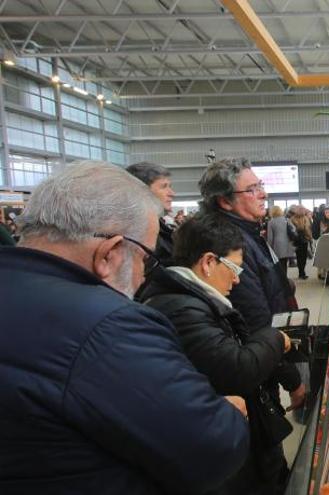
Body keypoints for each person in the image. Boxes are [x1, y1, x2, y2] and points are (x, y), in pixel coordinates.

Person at [0, 161, 249, 494]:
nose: (144, 274)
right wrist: (228, 414)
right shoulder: (109, 324)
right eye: (145, 256)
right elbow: (212, 447)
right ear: (110, 253)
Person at [139, 212, 294, 495]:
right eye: (235, 270)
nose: (236, 281)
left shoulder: (192, 298)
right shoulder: (182, 308)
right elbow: (238, 369)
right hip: (221, 449)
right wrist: (275, 337)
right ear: (209, 262)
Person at [198, 158, 306, 423]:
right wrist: (292, 380)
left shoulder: (249, 232)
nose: (263, 194)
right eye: (252, 189)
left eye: (261, 185)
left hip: (268, 357)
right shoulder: (230, 241)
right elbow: (255, 319)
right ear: (225, 201)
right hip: (255, 370)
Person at [126, 161, 176, 266]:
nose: (172, 193)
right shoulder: (136, 233)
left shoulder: (159, 227)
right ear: (142, 191)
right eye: (164, 187)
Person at [266, 205, 298, 271]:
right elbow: (294, 229)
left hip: (277, 245)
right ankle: (285, 279)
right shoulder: (286, 219)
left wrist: (269, 249)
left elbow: (270, 238)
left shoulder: (271, 222)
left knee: (279, 265)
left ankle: (281, 279)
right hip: (287, 244)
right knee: (284, 263)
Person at [314, 206, 329, 283]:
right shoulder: (323, 222)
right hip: (325, 243)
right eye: (326, 213)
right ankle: (326, 277)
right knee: (327, 262)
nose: (328, 214)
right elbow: (321, 233)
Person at [290, 206, 313, 280]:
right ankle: (302, 273)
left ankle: (300, 272)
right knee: (303, 257)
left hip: (296, 240)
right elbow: (307, 229)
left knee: (298, 256)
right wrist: (310, 237)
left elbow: (291, 229)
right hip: (304, 239)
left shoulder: (292, 219)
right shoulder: (305, 218)